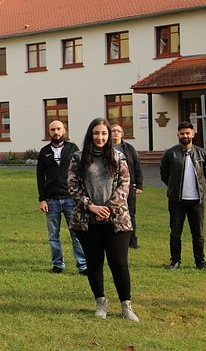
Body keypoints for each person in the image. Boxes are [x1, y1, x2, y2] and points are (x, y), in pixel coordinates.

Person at [68, 117, 138, 322]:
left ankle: (126, 306)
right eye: (96, 133)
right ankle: (101, 302)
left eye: (104, 133)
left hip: (116, 221)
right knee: (94, 263)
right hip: (88, 221)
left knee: (119, 263)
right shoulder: (78, 158)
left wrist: (107, 207)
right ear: (91, 134)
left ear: (109, 136)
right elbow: (73, 185)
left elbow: (125, 185)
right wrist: (91, 206)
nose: (100, 137)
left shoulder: (118, 157)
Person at [36, 120, 87, 275]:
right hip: (51, 200)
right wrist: (42, 199)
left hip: (71, 199)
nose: (56, 132)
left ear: (64, 130)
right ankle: (58, 264)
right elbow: (40, 177)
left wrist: (81, 196)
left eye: (58, 129)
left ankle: (83, 265)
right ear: (49, 131)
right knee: (53, 235)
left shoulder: (73, 149)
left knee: (76, 234)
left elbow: (81, 173)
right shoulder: (44, 152)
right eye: (53, 129)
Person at [160, 121, 206, 271]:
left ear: (193, 134)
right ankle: (175, 260)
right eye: (182, 133)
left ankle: (200, 262)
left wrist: (199, 188)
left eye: (187, 133)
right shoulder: (171, 153)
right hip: (176, 200)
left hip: (196, 201)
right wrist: (173, 187)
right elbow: (164, 174)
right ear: (178, 135)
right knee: (175, 232)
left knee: (198, 234)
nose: (185, 136)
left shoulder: (202, 153)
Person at [110, 124, 144, 248]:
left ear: (122, 134)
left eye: (118, 131)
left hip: (128, 186)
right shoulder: (105, 148)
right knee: (112, 213)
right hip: (111, 187)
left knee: (130, 213)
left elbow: (137, 167)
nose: (116, 133)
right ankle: (113, 238)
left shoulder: (129, 149)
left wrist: (139, 185)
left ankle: (132, 240)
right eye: (113, 131)